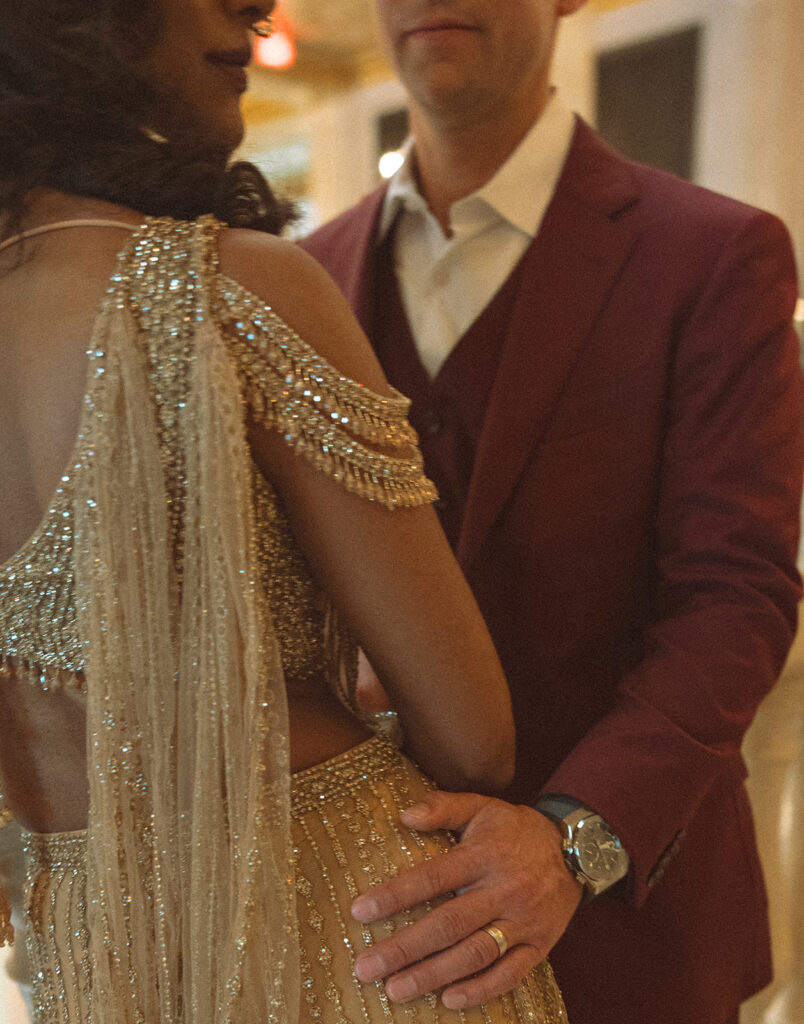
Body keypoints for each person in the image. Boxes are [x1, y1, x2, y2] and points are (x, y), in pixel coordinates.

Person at [0, 2, 571, 1022]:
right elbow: (474, 736)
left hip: (92, 963)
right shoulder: (223, 289)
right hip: (352, 935)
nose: (257, 7)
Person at [299, 1, 804, 1022]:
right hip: (366, 937)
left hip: (635, 939)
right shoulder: (305, 279)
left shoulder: (714, 254)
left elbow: (735, 594)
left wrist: (578, 833)